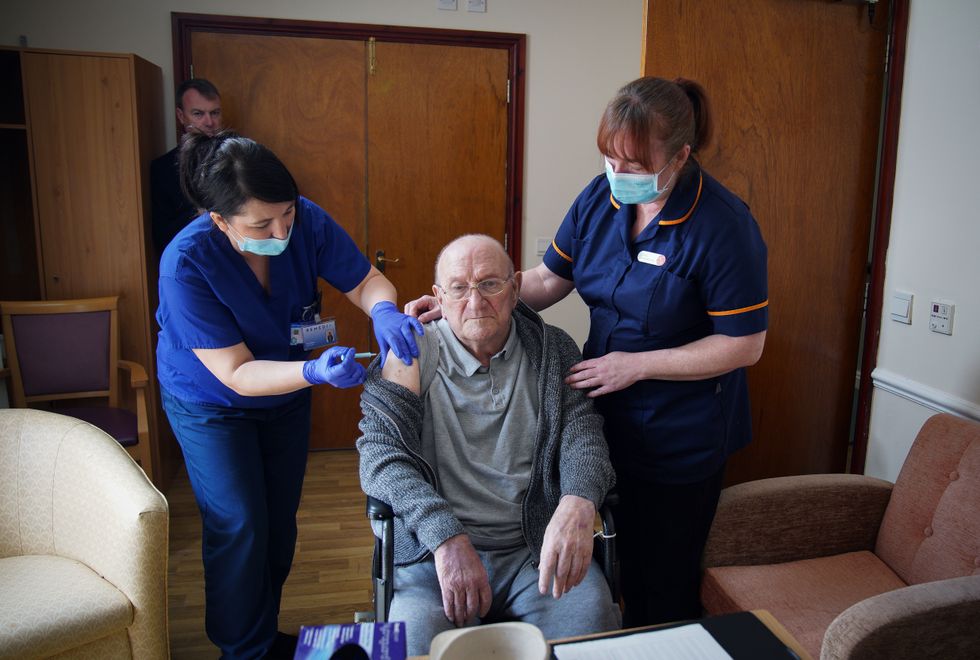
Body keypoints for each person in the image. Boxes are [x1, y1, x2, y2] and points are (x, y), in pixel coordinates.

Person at [407, 78, 768, 627]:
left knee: (660, 580)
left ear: (680, 157)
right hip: (602, 404)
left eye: (634, 165)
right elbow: (550, 280)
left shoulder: (723, 225)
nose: (617, 176)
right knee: (606, 560)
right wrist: (475, 297)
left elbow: (745, 344)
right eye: (609, 160)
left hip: (680, 431)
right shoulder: (601, 198)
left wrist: (639, 365)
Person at [157, 130, 423, 660]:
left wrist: (384, 310)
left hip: (286, 394)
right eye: (261, 224)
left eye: (286, 216)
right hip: (212, 403)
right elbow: (236, 372)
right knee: (239, 522)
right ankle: (243, 649)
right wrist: (314, 372)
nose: (281, 231)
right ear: (220, 221)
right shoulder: (185, 264)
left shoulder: (306, 219)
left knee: (277, 521)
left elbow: (365, 278)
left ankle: (261, 633)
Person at [357, 234, 621, 656]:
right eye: (459, 288)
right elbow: (381, 458)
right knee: (416, 644)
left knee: (592, 628)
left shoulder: (553, 350)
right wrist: (447, 539)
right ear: (438, 297)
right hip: (433, 555)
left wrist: (578, 501)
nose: (475, 302)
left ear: (516, 289)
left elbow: (584, 437)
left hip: (533, 549)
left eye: (490, 284)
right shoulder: (410, 352)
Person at [151, 78, 224, 257]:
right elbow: (162, 235)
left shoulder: (239, 157)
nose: (209, 122)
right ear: (181, 116)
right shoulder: (163, 169)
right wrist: (200, 214)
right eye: (198, 114)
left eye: (215, 113)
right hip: (190, 259)